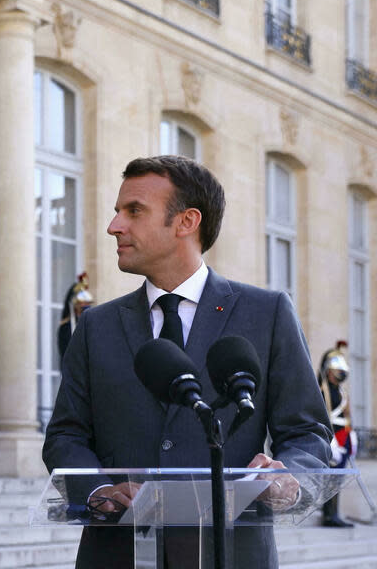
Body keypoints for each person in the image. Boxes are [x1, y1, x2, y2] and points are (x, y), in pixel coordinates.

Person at [42, 155, 331, 568]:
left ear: (186, 222)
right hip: (118, 554)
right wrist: (96, 490)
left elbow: (308, 431)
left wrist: (289, 477)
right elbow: (65, 436)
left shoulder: (266, 314)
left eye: (134, 211)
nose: (114, 226)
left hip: (232, 554)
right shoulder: (95, 327)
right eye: (117, 212)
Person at [318, 341, 355, 528]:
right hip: (329, 437)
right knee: (329, 476)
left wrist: (351, 435)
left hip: (342, 437)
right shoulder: (321, 390)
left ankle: (335, 513)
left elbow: (346, 416)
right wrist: (330, 442)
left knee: (338, 477)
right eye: (335, 370)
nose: (338, 374)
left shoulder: (341, 392)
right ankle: (328, 514)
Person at [57, 272, 94, 359]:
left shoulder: (92, 325)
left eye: (87, 304)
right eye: (82, 304)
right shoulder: (66, 327)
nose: (85, 307)